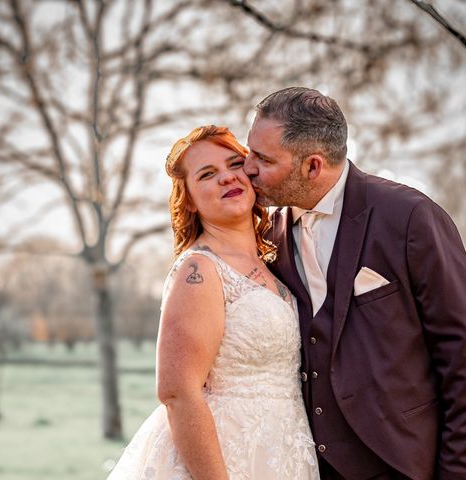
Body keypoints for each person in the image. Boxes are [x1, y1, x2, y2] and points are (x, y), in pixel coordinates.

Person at [244, 87, 466, 480]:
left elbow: (464, 358)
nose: (247, 168)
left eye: (263, 158)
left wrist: (461, 474)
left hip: (408, 464)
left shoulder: (410, 217)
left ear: (312, 166)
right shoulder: (268, 236)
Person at [107, 125, 320, 480]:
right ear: (188, 198)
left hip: (285, 454)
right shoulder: (200, 269)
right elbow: (178, 392)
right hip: (224, 461)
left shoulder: (273, 265)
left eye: (235, 164)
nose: (226, 178)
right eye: (207, 174)